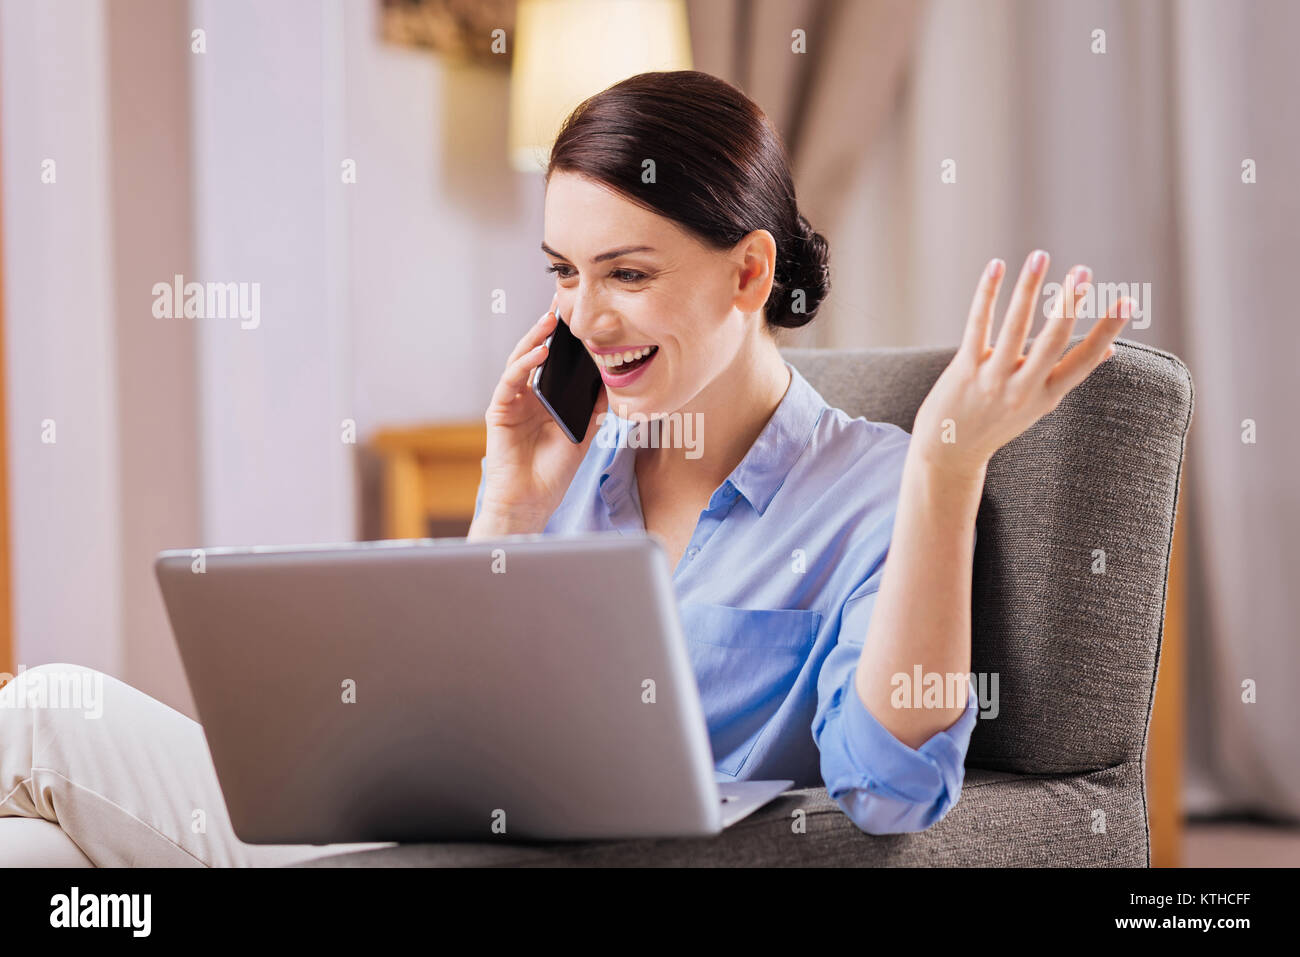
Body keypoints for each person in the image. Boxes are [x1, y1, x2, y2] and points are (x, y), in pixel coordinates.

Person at [0, 70, 1130, 866]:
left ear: (747, 275)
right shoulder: (575, 469)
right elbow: (429, 737)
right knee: (31, 850)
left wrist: (945, 464)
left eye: (625, 273)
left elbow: (890, 794)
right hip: (404, 838)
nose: (581, 316)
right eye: (561, 271)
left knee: (46, 708)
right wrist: (509, 503)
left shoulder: (872, 487)